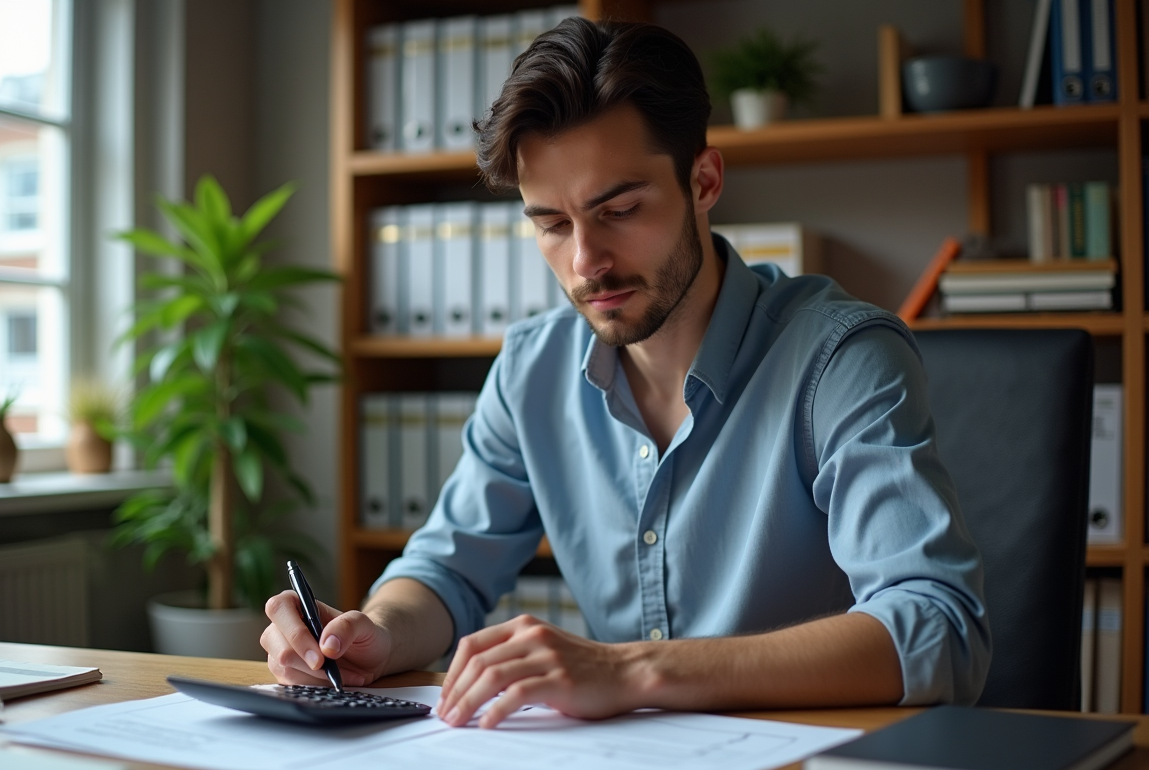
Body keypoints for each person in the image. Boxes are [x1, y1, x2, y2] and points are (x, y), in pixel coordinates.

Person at [261, 17, 990, 729]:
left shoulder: (842, 359)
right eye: (551, 224)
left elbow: (938, 627)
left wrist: (633, 671)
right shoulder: (531, 371)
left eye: (620, 209)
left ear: (703, 182)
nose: (585, 262)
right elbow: (449, 570)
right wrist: (377, 634)